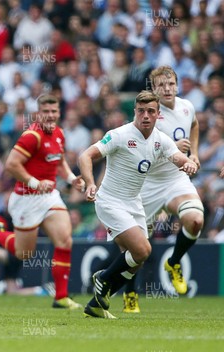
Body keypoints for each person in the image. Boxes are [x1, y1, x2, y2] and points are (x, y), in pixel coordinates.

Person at [78, 90, 198, 319]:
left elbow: (177, 157)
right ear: (135, 111)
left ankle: (96, 304)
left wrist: (188, 164)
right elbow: (85, 156)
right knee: (143, 250)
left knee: (137, 260)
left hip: (135, 203)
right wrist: (90, 183)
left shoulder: (160, 139)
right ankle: (102, 278)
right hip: (111, 201)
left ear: (157, 114)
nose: (145, 115)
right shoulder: (120, 135)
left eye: (150, 111)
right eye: (141, 111)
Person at [0, 94, 84, 310]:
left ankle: (61, 297)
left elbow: (60, 161)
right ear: (38, 113)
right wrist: (35, 182)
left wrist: (72, 179)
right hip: (26, 199)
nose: (50, 115)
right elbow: (11, 165)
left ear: (59, 112)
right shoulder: (31, 136)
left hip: (49, 197)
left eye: (54, 111)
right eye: (46, 111)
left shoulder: (59, 134)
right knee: (24, 253)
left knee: (65, 240)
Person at [123, 66, 205, 313]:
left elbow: (195, 124)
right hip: (147, 183)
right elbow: (138, 150)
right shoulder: (149, 115)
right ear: (154, 89)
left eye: (171, 84)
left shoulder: (186, 106)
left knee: (195, 220)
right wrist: (172, 149)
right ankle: (130, 294)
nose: (167, 89)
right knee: (137, 248)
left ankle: (174, 262)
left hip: (175, 179)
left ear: (177, 85)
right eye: (161, 85)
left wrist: (195, 154)